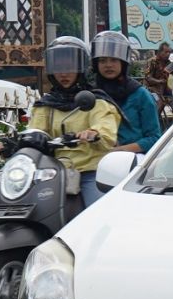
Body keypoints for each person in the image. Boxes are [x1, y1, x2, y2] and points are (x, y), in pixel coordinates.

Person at [24, 37, 120, 208]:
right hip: (53, 173)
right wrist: (13, 142)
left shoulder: (96, 101)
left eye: (69, 67)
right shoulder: (46, 104)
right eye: (58, 68)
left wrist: (94, 133)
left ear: (82, 69)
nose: (64, 74)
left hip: (89, 172)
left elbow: (106, 130)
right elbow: (35, 130)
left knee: (98, 212)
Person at [92, 30, 162, 154]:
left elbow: (154, 138)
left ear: (123, 63)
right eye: (102, 60)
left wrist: (119, 150)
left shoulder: (140, 95)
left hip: (133, 160)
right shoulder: (89, 95)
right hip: (93, 160)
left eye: (114, 60)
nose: (108, 65)